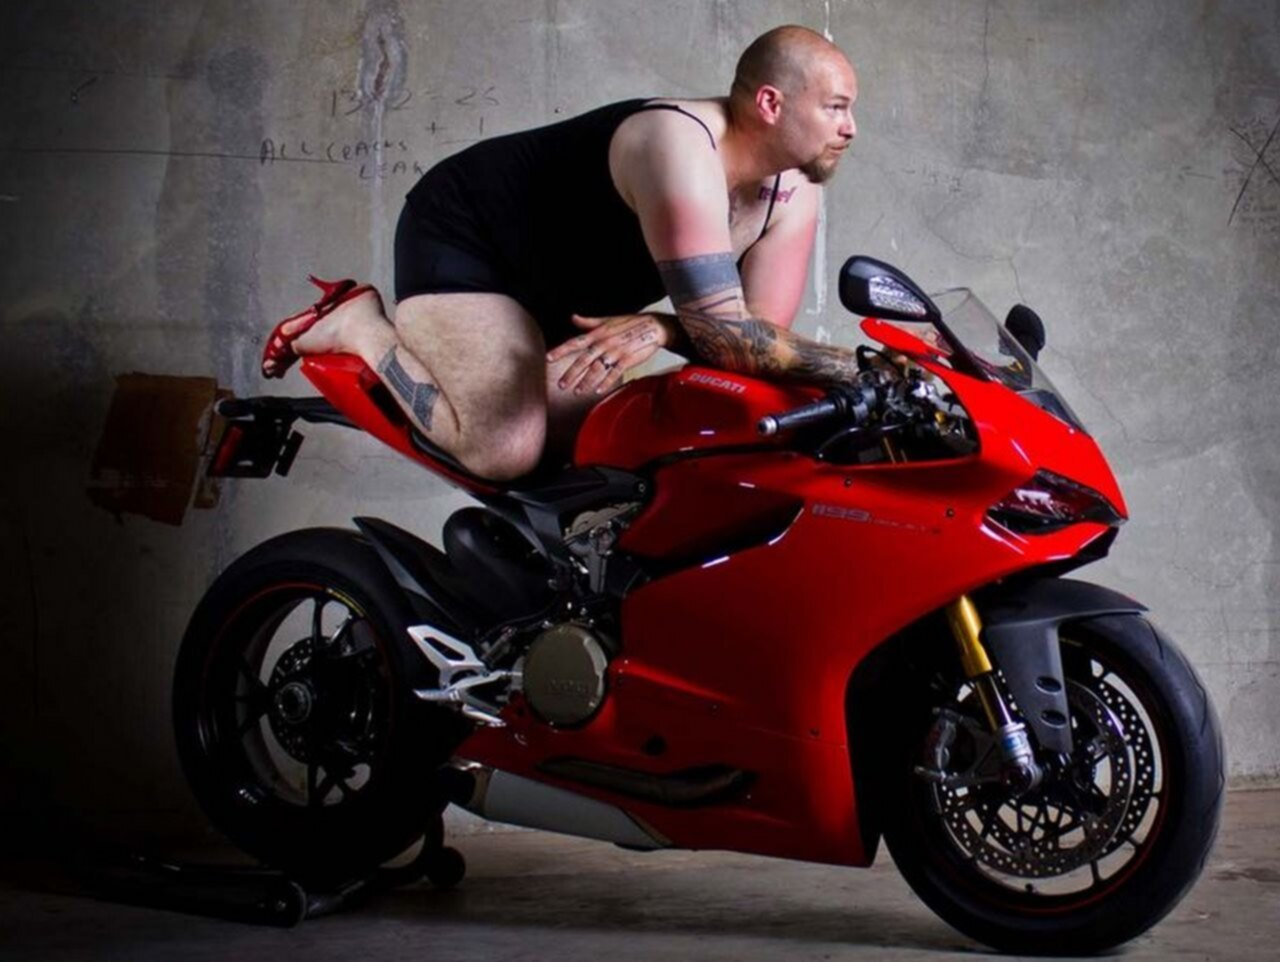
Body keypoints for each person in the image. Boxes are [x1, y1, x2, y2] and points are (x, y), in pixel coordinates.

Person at [260, 24, 862, 481]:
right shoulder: (678, 144)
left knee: (627, 444)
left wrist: (662, 327)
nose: (850, 127)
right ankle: (358, 324)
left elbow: (758, 343)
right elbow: (734, 340)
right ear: (771, 104)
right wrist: (870, 367)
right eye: (835, 107)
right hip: (470, 243)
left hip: (570, 300)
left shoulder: (794, 189)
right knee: (504, 449)